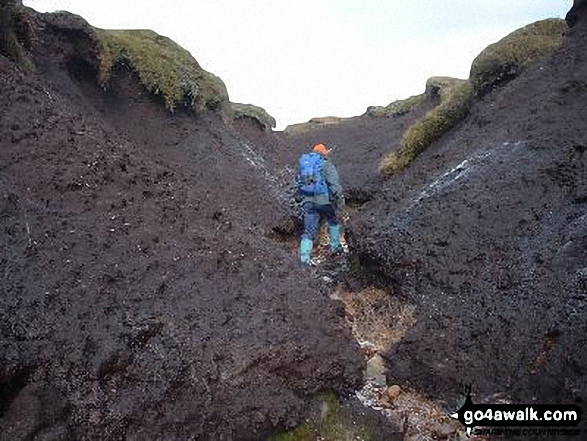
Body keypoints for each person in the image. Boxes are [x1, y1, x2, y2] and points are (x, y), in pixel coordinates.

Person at [296, 143, 345, 266]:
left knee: (309, 230)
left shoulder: (305, 164)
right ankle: (336, 247)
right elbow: (335, 186)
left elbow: (298, 182)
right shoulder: (326, 164)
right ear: (324, 153)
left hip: (307, 202)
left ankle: (304, 259)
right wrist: (340, 203)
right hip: (324, 201)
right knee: (333, 220)